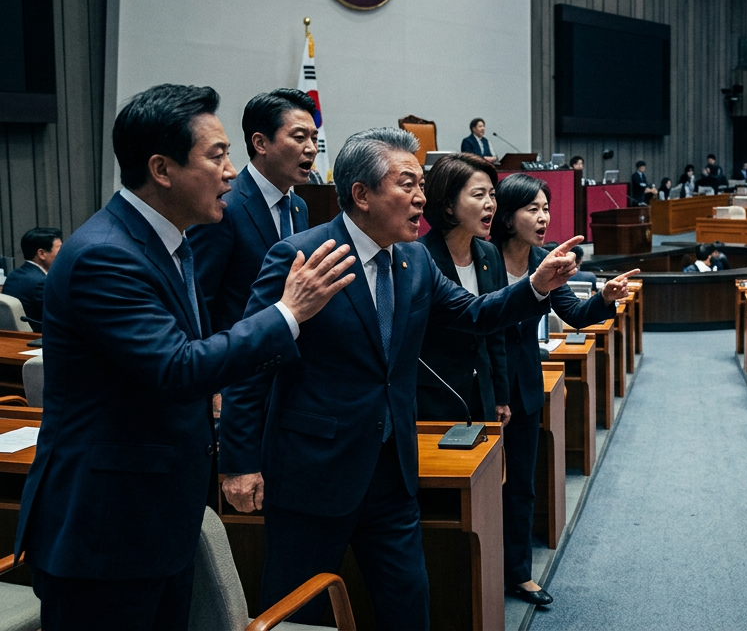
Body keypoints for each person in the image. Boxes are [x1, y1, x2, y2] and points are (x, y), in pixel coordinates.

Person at [17, 83, 354, 630]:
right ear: (162, 168)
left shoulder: (171, 242)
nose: (230, 171)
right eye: (217, 155)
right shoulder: (106, 255)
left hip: (157, 522)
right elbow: (177, 367)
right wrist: (289, 312)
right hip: (104, 529)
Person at [217, 129, 584, 628]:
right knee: (300, 611)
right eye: (407, 183)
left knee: (409, 604)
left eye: (421, 184)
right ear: (362, 195)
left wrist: (535, 287)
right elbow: (252, 362)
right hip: (313, 472)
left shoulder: (413, 262)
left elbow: (474, 314)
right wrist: (239, 462)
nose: (421, 198)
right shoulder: (302, 254)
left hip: (393, 471)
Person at [493, 174, 636, 607]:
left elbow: (573, 313)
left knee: (520, 484)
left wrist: (606, 298)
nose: (543, 217)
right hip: (482, 388)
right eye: (531, 209)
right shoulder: (480, 258)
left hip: (525, 385)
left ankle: (517, 573)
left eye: (545, 208)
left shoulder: (545, 257)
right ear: (506, 214)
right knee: (482, 486)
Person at [189, 89, 315, 334]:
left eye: (314, 138)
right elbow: (200, 299)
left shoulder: (299, 207)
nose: (311, 148)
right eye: (300, 137)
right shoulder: (224, 205)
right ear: (260, 143)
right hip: (238, 358)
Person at [415, 152, 510, 424]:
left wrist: (500, 394)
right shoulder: (419, 257)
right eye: (479, 195)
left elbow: (496, 329)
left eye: (492, 195)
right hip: (435, 398)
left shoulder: (490, 254)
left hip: (483, 393)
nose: (490, 204)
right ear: (448, 205)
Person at [4, 227, 62, 331]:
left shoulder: (14, 275)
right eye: (60, 250)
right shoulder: (40, 282)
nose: (63, 255)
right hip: (39, 338)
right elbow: (62, 315)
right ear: (42, 254)